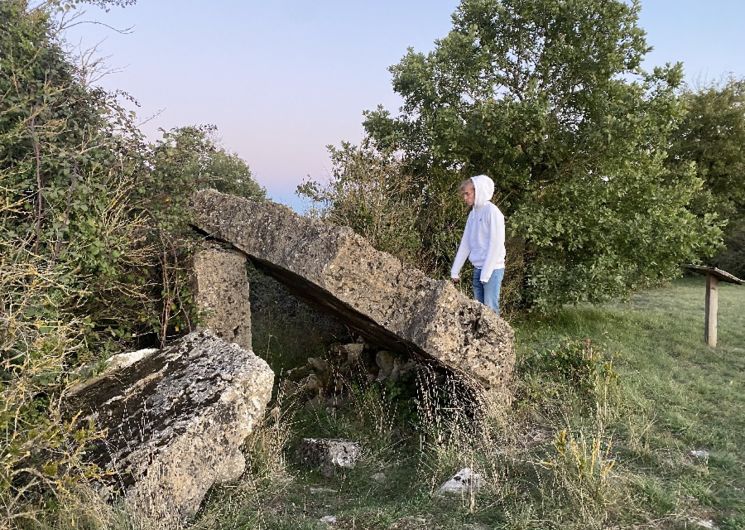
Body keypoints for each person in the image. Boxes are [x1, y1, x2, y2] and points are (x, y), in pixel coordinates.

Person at [450, 175, 506, 315]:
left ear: (478, 191)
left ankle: (495, 337)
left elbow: (496, 244)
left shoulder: (492, 212)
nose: (465, 197)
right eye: (464, 194)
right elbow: (466, 243)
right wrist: (455, 270)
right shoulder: (473, 214)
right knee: (478, 311)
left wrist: (486, 274)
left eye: (467, 193)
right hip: (478, 268)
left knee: (490, 310)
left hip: (492, 269)